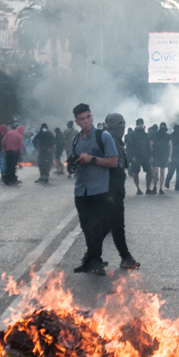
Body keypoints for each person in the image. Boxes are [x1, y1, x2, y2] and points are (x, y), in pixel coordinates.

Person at [67, 104, 120, 275]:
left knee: (95, 227)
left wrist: (92, 159)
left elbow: (113, 161)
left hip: (99, 190)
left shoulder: (103, 137)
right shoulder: (76, 140)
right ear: (77, 122)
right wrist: (72, 164)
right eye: (82, 119)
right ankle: (90, 260)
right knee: (86, 227)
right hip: (81, 190)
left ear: (92, 116)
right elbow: (71, 164)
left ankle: (96, 261)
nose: (86, 121)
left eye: (88, 117)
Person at [102, 113, 141, 270]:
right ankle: (126, 258)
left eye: (123, 126)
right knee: (116, 225)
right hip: (110, 191)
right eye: (119, 126)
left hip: (115, 190)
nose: (122, 130)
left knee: (106, 226)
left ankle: (91, 257)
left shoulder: (116, 141)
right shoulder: (107, 141)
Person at [125, 118, 152, 196]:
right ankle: (138, 188)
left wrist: (150, 155)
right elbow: (129, 147)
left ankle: (148, 188)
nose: (140, 125)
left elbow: (148, 146)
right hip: (136, 157)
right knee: (135, 172)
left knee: (149, 172)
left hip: (145, 156)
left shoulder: (145, 135)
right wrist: (132, 157)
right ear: (136, 124)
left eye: (141, 123)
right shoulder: (132, 135)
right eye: (139, 123)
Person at [151, 122, 171, 195]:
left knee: (162, 172)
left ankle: (160, 188)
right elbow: (151, 145)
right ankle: (155, 187)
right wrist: (151, 155)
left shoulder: (168, 136)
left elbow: (170, 146)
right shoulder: (155, 135)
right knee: (156, 172)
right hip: (156, 155)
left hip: (164, 156)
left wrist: (169, 156)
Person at [165, 124, 179, 191]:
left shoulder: (170, 137)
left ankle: (167, 182)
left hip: (172, 157)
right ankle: (177, 186)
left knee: (170, 171)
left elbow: (167, 147)